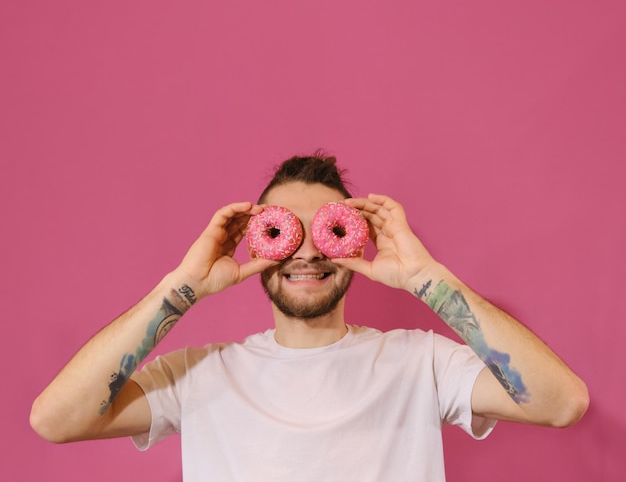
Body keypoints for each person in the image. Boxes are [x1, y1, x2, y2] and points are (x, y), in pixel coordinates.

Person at [30, 152, 589, 481]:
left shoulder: (423, 363)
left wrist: (427, 280)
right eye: (283, 232)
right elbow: (55, 421)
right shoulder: (196, 376)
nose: (306, 252)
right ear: (255, 243)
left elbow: (562, 403)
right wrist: (182, 289)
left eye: (325, 229)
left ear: (357, 239)